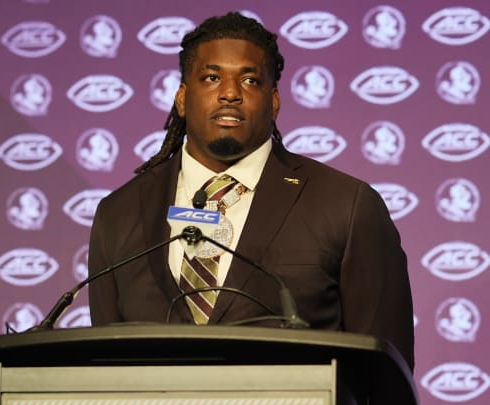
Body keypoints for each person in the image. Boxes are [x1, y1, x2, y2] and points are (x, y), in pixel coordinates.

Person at [88, 12, 414, 371]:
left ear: (274, 102)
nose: (230, 93)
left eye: (250, 80)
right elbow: (107, 367)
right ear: (182, 98)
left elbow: (385, 375)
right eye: (211, 78)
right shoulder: (119, 213)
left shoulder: (346, 206)